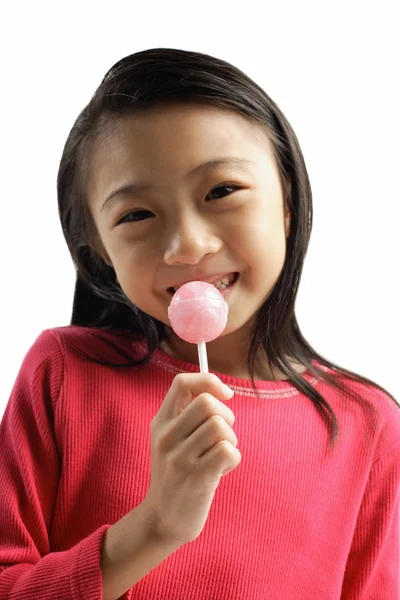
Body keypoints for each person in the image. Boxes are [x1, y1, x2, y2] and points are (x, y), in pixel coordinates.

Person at [0, 48, 399, 600]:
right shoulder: (64, 373)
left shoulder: (366, 424)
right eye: (137, 214)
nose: (187, 245)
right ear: (98, 251)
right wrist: (156, 526)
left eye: (221, 191)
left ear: (287, 200)